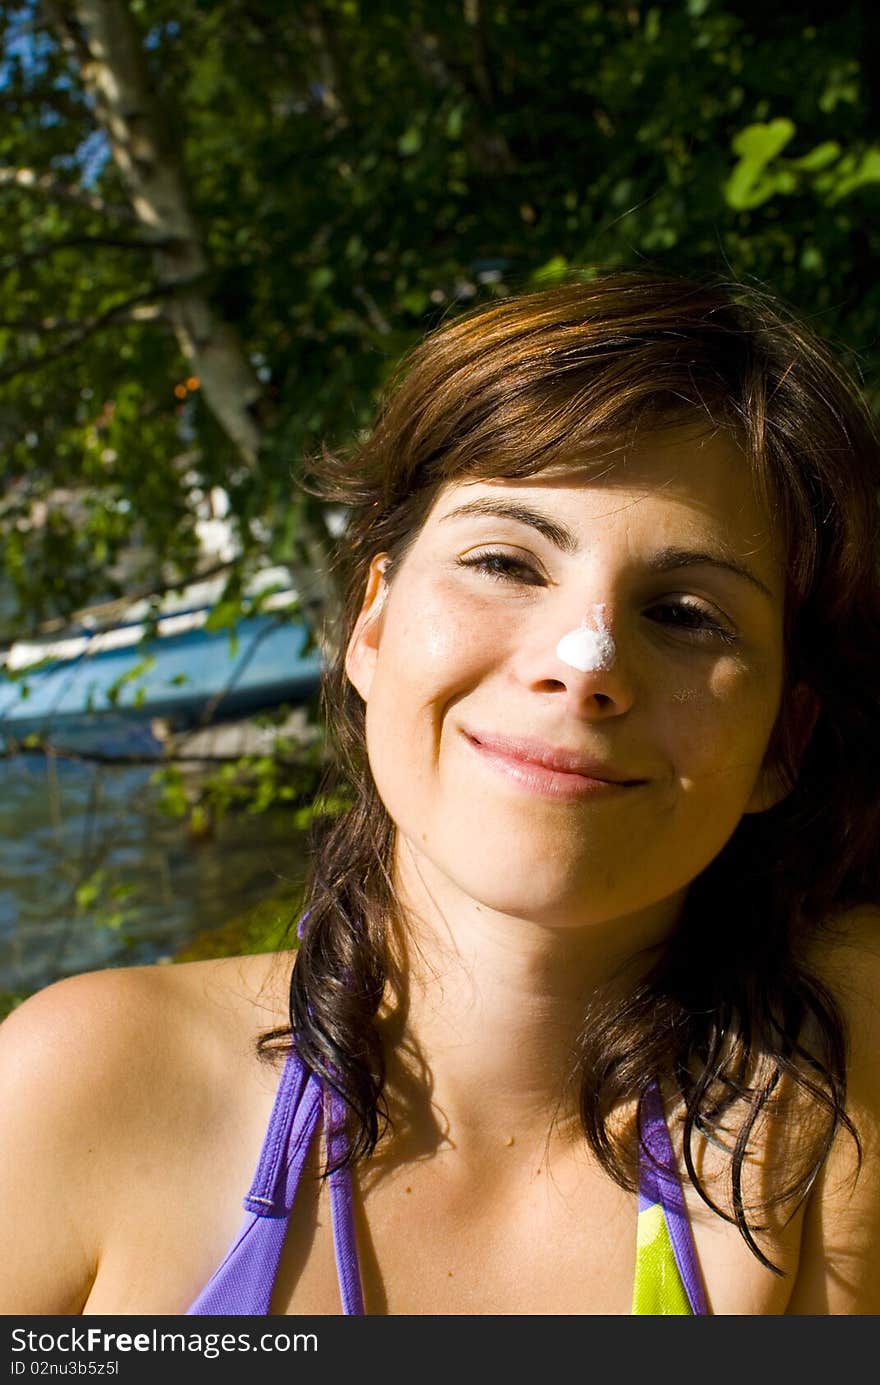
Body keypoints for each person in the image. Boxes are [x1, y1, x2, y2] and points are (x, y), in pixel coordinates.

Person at [1, 270, 879, 1316]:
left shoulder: (833, 1110)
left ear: (783, 741)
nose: (582, 660)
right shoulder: (84, 1087)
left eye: (687, 613)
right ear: (369, 624)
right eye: (506, 559)